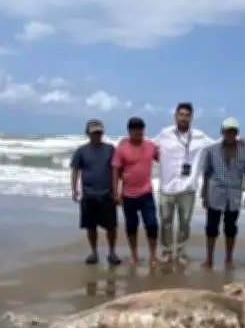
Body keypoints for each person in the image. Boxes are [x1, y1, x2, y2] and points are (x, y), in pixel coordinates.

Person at [153, 102, 218, 263]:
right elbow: (149, 147)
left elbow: (218, 144)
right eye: (181, 114)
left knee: (184, 223)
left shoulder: (199, 136)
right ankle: (167, 251)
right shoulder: (165, 133)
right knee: (166, 222)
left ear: (191, 117)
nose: (183, 118)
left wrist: (240, 139)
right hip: (167, 187)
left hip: (188, 188)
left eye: (187, 115)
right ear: (176, 115)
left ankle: (181, 252)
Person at [200, 117, 245, 269]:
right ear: (222, 132)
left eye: (233, 131)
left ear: (236, 133)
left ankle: (229, 259)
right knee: (211, 227)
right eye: (227, 131)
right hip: (214, 193)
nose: (230, 134)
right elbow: (206, 173)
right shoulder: (212, 150)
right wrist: (204, 194)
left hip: (234, 194)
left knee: (230, 228)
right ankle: (209, 259)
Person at [70, 119, 122, 265]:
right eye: (94, 133)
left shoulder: (110, 149)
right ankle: (94, 252)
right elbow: (75, 170)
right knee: (90, 226)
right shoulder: (81, 151)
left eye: (99, 132)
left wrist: (117, 190)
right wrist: (74, 189)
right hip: (88, 194)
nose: (97, 135)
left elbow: (116, 170)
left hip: (107, 194)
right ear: (88, 133)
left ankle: (112, 252)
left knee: (111, 227)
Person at [112, 117, 160, 266]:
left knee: (152, 224)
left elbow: (165, 160)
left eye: (140, 128)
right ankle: (134, 256)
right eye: (134, 128)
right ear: (129, 131)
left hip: (146, 193)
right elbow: (116, 170)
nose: (137, 131)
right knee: (131, 227)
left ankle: (153, 255)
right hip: (128, 195)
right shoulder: (122, 148)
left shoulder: (151, 146)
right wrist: (115, 191)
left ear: (143, 130)